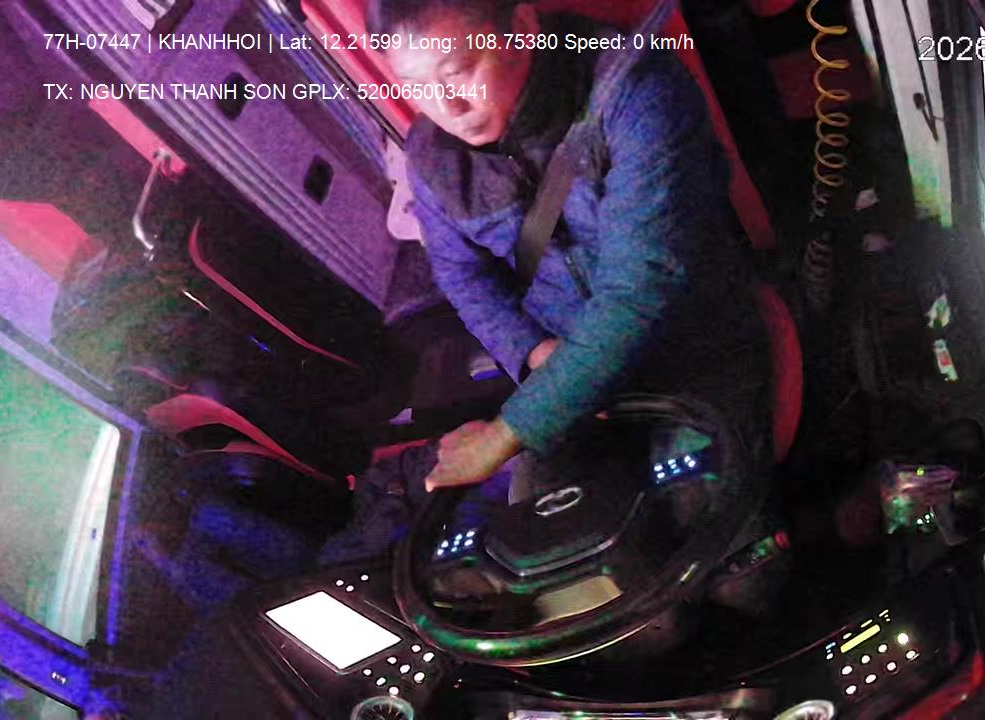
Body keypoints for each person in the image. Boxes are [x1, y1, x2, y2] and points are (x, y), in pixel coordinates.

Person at [326, 0, 771, 562]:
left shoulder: (634, 90)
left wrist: (506, 433)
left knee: (726, 560)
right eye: (416, 87)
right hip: (560, 366)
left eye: (459, 71)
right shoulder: (432, 157)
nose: (447, 107)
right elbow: (463, 276)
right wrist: (532, 351)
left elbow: (639, 289)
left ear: (522, 27)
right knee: (560, 556)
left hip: (691, 344)